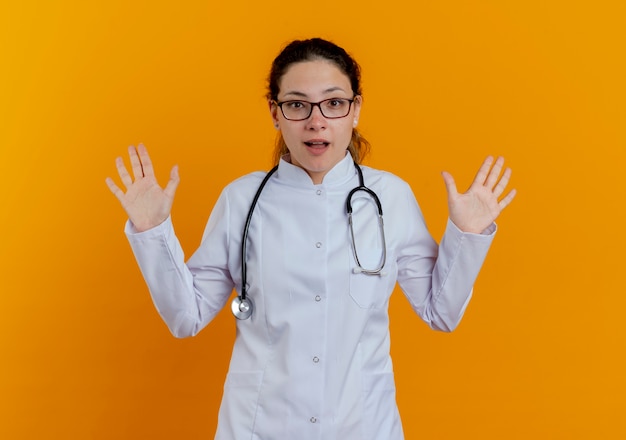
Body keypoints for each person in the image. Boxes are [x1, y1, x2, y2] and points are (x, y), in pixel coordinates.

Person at [106, 38, 516, 440]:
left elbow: (440, 312)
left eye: (334, 103)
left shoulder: (389, 197)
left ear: (355, 111)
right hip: (259, 426)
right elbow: (186, 317)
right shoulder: (242, 200)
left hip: (363, 426)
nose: (316, 121)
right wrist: (152, 231)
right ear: (275, 113)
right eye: (297, 104)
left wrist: (467, 234)